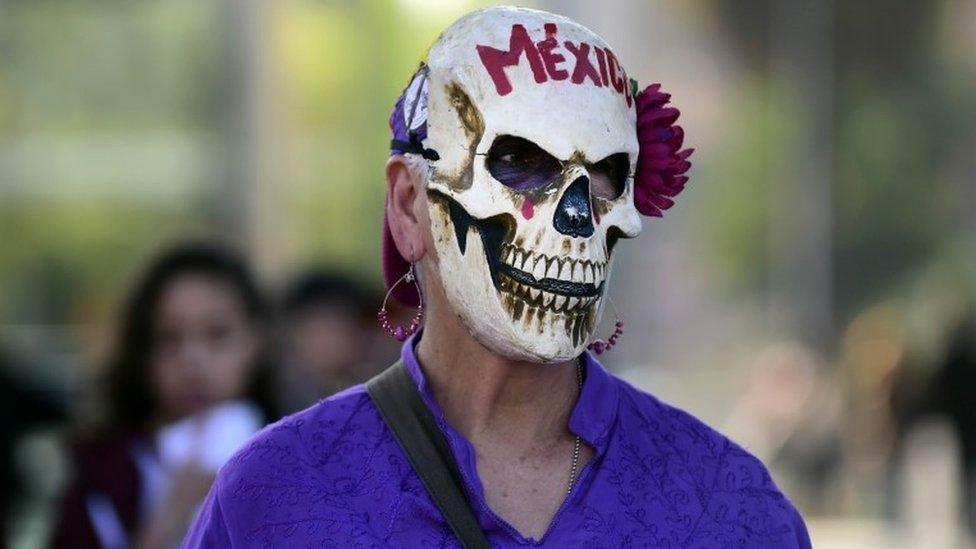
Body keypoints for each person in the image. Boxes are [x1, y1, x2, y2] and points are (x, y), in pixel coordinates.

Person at [185, 7, 811, 547]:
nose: (574, 217)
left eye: (604, 179)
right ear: (409, 206)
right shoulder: (277, 494)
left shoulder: (726, 506)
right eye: (520, 163)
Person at [50, 242, 277, 548]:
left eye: (217, 334)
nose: (192, 360)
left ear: (255, 340)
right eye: (168, 338)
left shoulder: (303, 459)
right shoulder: (98, 480)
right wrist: (172, 513)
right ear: (142, 352)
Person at [276, 271, 374, 412]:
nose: (328, 342)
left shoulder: (377, 397)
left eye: (336, 326)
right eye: (316, 329)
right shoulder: (276, 403)